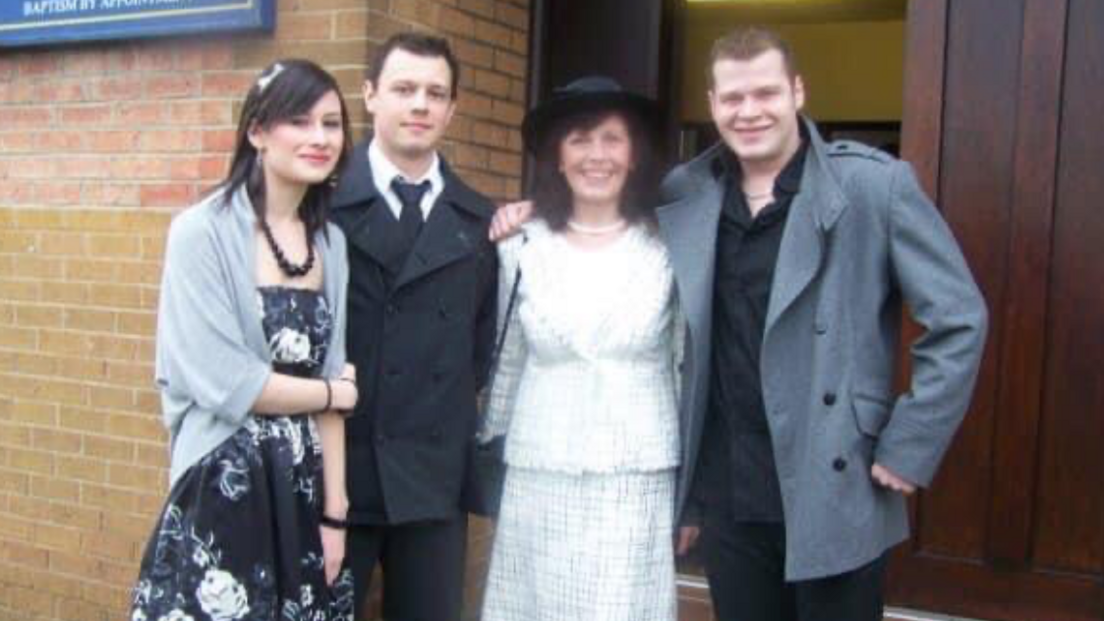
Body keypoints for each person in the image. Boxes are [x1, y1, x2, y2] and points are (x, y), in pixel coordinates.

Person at [492, 26, 988, 621]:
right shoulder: (685, 192)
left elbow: (959, 317)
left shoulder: (872, 186)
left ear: (797, 93)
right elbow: (601, 215)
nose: (748, 111)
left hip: (835, 479)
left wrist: (911, 443)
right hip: (731, 491)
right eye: (732, 98)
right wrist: (530, 213)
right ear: (712, 105)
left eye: (765, 94)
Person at [131, 59, 357, 621]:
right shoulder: (199, 232)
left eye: (331, 124)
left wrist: (335, 513)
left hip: (301, 493)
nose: (320, 138)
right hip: (221, 483)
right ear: (257, 131)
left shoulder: (331, 243)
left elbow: (334, 368)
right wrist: (331, 394)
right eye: (300, 122)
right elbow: (226, 381)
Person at [479, 76, 680, 621]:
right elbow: (507, 362)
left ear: (634, 154)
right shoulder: (521, 245)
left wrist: (696, 496)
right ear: (557, 158)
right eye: (579, 140)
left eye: (612, 139)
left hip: (636, 476)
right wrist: (489, 445)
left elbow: (685, 369)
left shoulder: (670, 247)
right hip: (540, 471)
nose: (597, 155)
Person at [328, 33, 498, 621]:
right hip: (335, 476)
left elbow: (479, 349)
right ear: (371, 95)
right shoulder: (318, 204)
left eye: (436, 92)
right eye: (404, 89)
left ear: (453, 108)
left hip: (432, 482)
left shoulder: (479, 222)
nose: (420, 105)